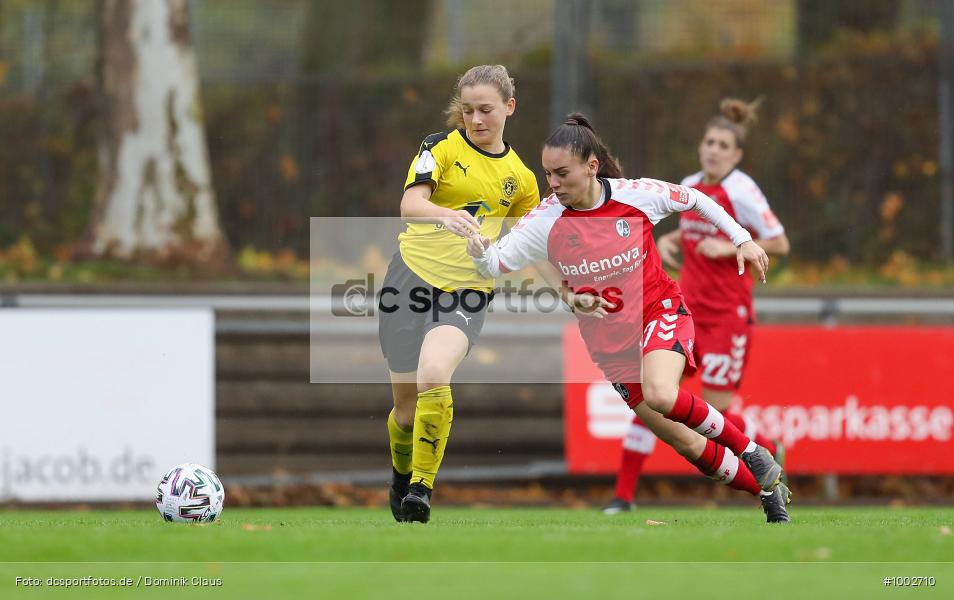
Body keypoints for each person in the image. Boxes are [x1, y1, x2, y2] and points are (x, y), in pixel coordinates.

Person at [468, 114, 790, 523]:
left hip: (661, 310)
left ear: (591, 167)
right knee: (690, 446)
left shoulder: (636, 195)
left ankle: (752, 453)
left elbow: (695, 199)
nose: (553, 183)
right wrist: (480, 250)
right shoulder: (545, 220)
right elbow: (494, 263)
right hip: (611, 347)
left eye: (562, 173)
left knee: (661, 392)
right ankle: (768, 492)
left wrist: (741, 240)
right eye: (548, 173)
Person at [604, 98, 791, 515]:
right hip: (686, 311)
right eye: (709, 142)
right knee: (658, 395)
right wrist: (669, 242)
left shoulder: (741, 189)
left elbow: (779, 242)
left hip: (728, 317)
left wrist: (727, 247)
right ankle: (623, 496)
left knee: (718, 410)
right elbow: (679, 236)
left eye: (724, 145)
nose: (713, 150)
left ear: (737, 154)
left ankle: (767, 452)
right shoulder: (690, 184)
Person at [380, 65, 540, 523]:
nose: (476, 119)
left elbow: (532, 238)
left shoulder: (521, 178)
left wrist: (570, 291)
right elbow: (410, 203)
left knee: (435, 372)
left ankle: (421, 489)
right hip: (409, 278)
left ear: (509, 108)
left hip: (468, 289)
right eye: (468, 110)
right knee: (406, 412)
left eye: (486, 110)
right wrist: (443, 215)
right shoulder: (440, 147)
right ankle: (400, 470)